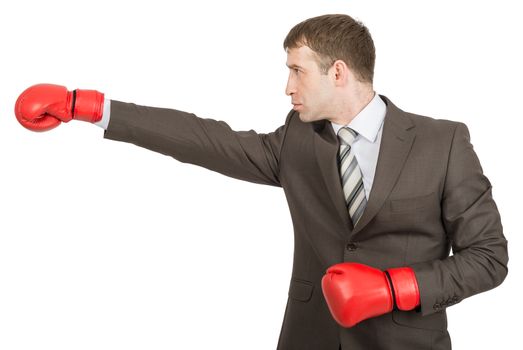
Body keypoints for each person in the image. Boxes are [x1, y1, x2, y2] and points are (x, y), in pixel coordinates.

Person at [14, 14, 508, 350]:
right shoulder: (299, 139)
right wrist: (95, 108)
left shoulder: (443, 142)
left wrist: (395, 287)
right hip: (308, 339)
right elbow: (208, 140)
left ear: (338, 72)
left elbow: (489, 258)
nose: (287, 87)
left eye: (297, 71)